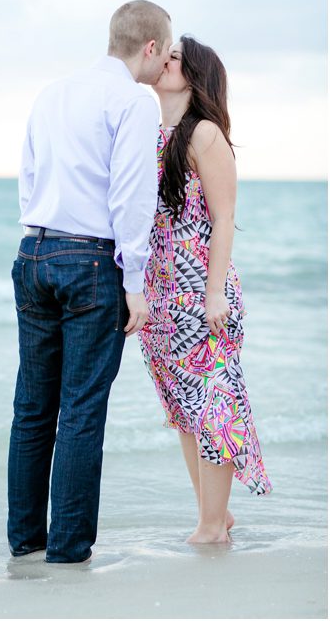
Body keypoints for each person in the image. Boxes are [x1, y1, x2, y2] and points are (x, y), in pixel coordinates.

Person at [7, 0, 172, 563]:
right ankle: (68, 549)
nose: (166, 63)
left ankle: (25, 541)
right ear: (149, 47)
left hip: (33, 250)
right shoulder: (134, 100)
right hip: (93, 262)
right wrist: (135, 281)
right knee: (80, 409)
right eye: (165, 51)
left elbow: (27, 177)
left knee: (32, 407)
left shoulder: (52, 92)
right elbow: (132, 194)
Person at [138, 35, 272, 544]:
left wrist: (214, 293)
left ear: (193, 75)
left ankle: (212, 526)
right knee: (184, 408)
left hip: (201, 292)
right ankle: (214, 515)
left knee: (213, 403)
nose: (162, 60)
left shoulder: (205, 134)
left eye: (173, 57)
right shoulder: (153, 134)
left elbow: (224, 217)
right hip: (162, 295)